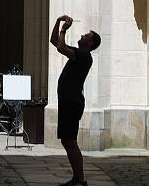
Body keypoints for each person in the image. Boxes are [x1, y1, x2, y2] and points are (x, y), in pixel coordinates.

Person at [50, 15, 101, 186]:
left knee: (70, 140)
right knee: (67, 140)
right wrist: (58, 22)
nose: (81, 36)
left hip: (72, 102)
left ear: (90, 43)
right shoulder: (80, 53)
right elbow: (55, 42)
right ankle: (77, 178)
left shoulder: (84, 56)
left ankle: (80, 179)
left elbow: (61, 48)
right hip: (69, 102)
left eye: (86, 36)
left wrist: (65, 29)